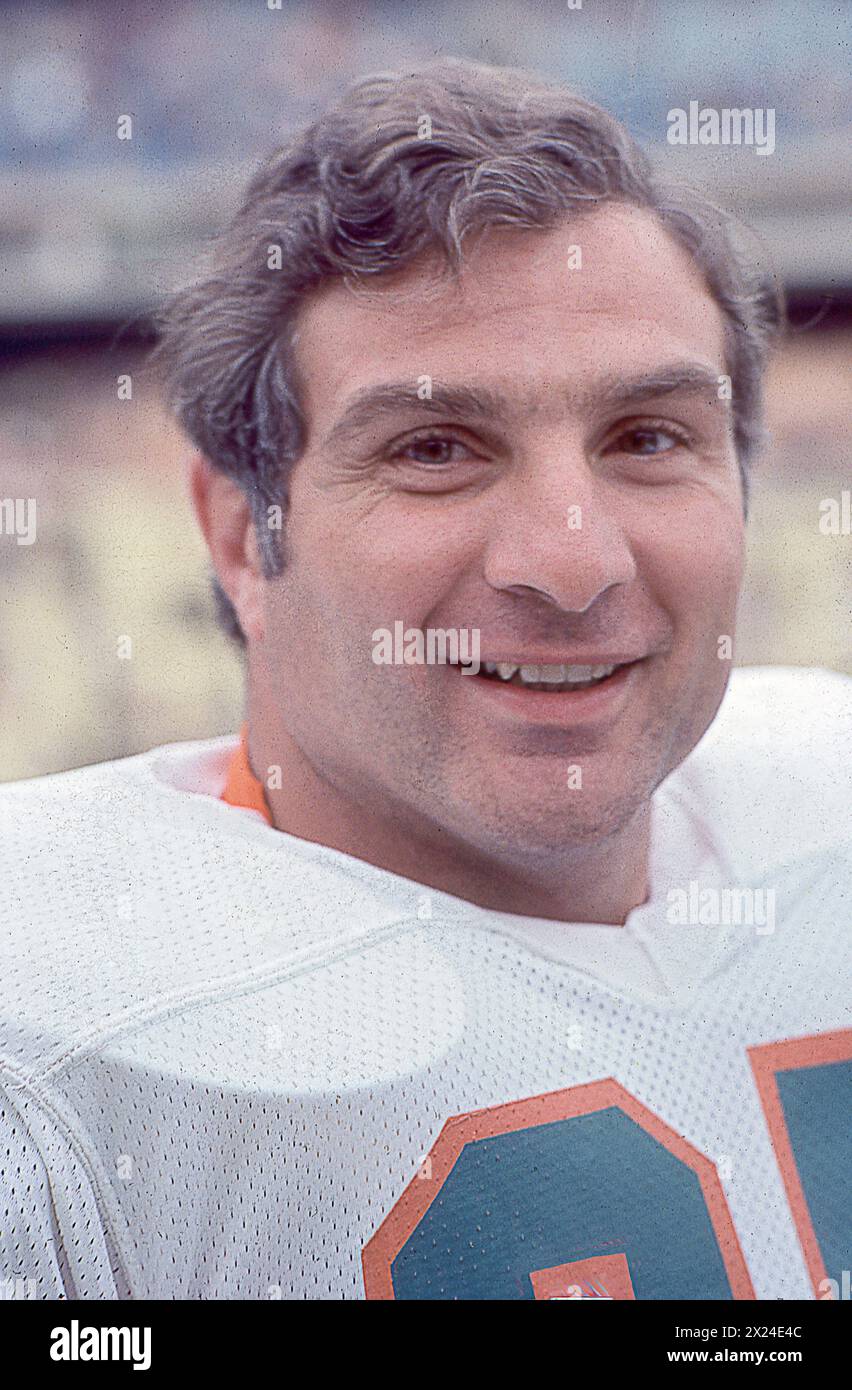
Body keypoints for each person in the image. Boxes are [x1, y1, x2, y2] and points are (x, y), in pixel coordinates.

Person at [1, 58, 849, 1301]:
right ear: (243, 533)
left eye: (649, 437)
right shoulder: (54, 1036)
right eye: (435, 448)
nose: (571, 562)